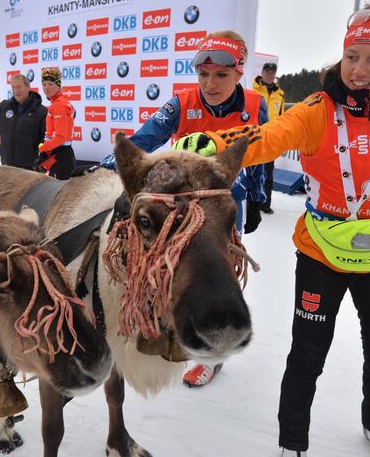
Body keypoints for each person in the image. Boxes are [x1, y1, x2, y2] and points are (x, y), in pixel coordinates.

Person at [174, 4, 370, 457]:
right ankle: (293, 444)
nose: (359, 69)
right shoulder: (318, 109)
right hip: (321, 254)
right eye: (352, 56)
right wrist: (217, 145)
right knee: (307, 355)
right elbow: (269, 135)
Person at [101, 29, 268, 387]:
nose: (210, 83)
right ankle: (172, 323)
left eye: (221, 75)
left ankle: (213, 343)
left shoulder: (256, 105)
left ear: (239, 73)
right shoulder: (182, 102)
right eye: (204, 74)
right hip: (180, 203)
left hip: (223, 201)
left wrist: (257, 197)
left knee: (222, 267)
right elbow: (145, 138)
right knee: (173, 265)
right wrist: (103, 164)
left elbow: (261, 152)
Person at [253, 62, 286, 214]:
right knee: (252, 170)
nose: (270, 74)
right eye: (268, 72)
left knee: (268, 173)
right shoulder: (253, 90)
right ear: (263, 72)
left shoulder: (280, 94)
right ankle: (252, 202)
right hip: (254, 136)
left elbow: (282, 117)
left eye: (273, 72)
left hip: (271, 138)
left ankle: (265, 203)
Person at [38, 67, 76, 180]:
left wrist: (42, 148)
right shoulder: (56, 103)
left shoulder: (59, 105)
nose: (46, 87)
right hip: (58, 155)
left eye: (50, 84)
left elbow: (60, 138)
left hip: (61, 157)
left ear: (58, 85)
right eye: (44, 84)